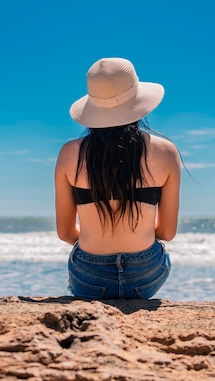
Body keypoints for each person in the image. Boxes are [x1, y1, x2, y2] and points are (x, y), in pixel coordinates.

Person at [54, 57, 182, 299]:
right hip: (146, 276)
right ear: (138, 102)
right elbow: (166, 232)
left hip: (89, 277)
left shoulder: (69, 153)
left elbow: (66, 233)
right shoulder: (166, 151)